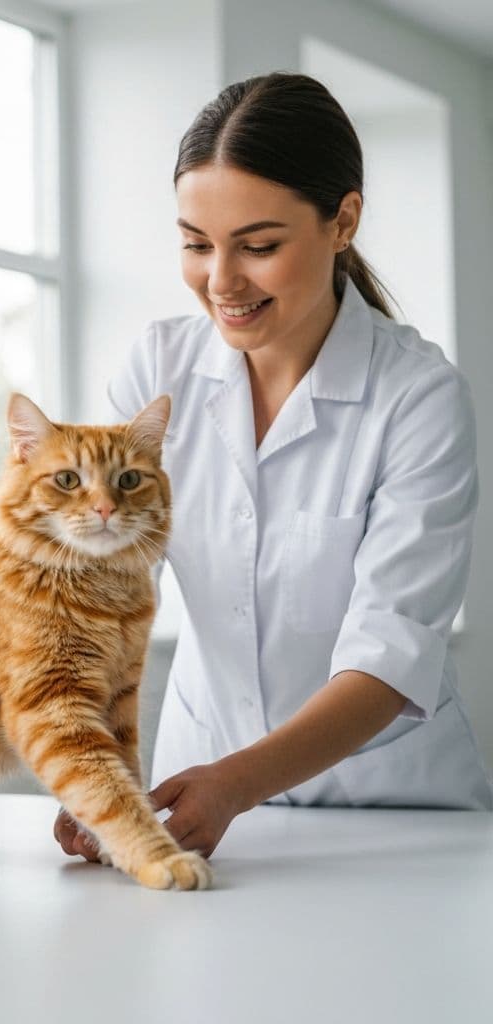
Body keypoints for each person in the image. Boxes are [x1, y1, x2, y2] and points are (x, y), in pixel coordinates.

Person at [54, 71, 493, 863]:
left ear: (343, 221)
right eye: (196, 244)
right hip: (197, 782)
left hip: (390, 813)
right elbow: (102, 590)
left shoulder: (418, 397)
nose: (221, 281)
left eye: (258, 247)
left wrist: (235, 784)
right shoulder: (160, 367)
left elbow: (390, 654)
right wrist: (96, 770)